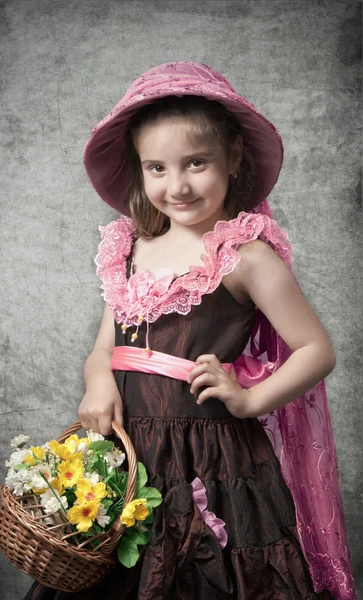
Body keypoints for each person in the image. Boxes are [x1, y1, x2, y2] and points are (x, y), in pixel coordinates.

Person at [24, 62, 357, 600]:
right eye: (156, 168)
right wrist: (97, 381)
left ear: (233, 159)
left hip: (214, 462)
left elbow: (316, 350)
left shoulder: (245, 257)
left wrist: (250, 401)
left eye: (196, 163)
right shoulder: (129, 251)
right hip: (128, 453)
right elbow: (105, 348)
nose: (176, 185)